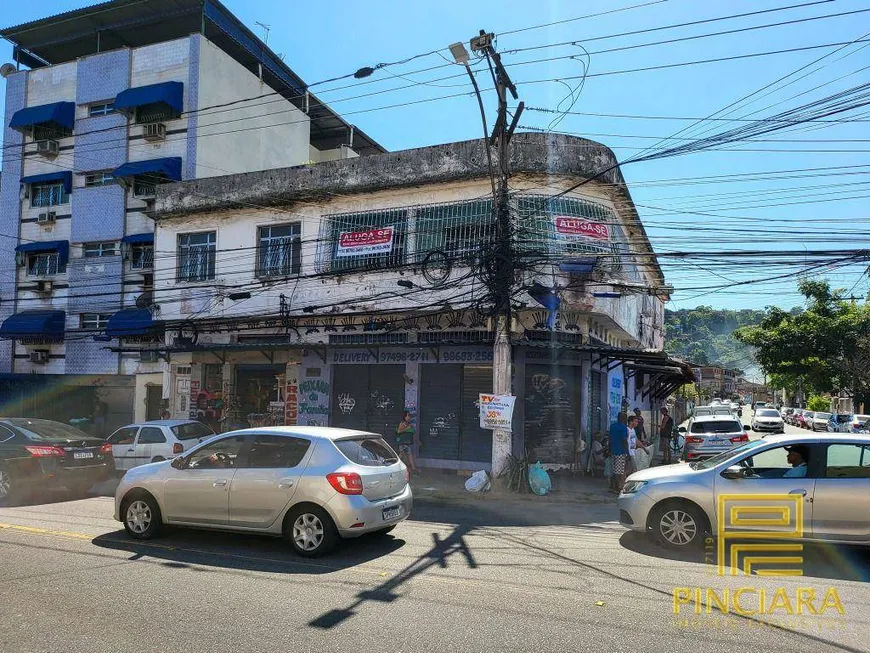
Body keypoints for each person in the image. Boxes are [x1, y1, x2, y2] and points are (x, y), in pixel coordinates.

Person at [608, 412, 630, 493]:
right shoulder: (623, 428)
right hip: (620, 451)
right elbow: (624, 440)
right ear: (624, 419)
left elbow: (610, 439)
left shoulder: (612, 426)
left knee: (614, 470)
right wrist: (627, 452)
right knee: (619, 471)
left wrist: (609, 449)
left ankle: (611, 486)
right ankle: (617, 487)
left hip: (613, 450)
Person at [396, 411, 419, 475]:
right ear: (404, 416)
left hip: (407, 443)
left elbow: (412, 432)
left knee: (408, 455)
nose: (409, 417)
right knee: (402, 455)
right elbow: (399, 431)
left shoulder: (408, 423)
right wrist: (407, 428)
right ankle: (397, 467)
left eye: (409, 416)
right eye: (408, 416)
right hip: (403, 442)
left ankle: (413, 469)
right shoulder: (402, 423)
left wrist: (417, 441)